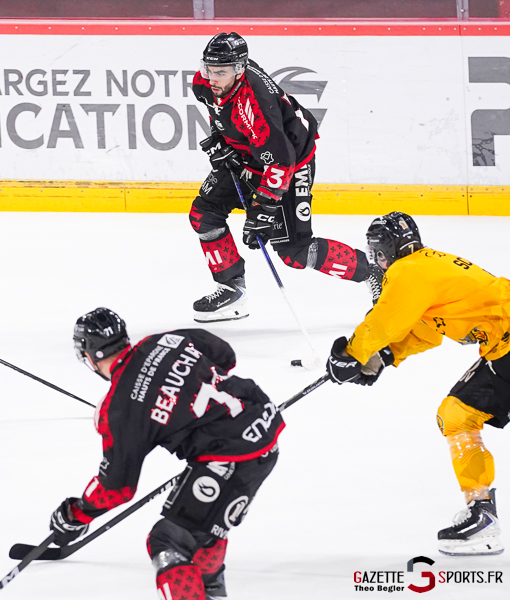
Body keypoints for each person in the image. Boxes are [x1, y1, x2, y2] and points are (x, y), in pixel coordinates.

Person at [48, 307, 284, 599]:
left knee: (168, 541)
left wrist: (77, 514)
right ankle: (209, 586)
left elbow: (116, 486)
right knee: (200, 523)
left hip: (231, 454)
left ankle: (203, 588)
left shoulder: (120, 409)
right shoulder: (162, 341)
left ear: (87, 356)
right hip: (263, 424)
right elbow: (224, 354)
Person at [327, 211, 508, 556]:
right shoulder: (426, 267)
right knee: (456, 414)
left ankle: (483, 517)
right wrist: (385, 356)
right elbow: (426, 330)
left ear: (385, 251)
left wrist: (351, 353)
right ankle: (481, 512)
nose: (376, 260)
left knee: (457, 415)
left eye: (376, 252)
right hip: (504, 346)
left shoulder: (407, 271)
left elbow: (385, 319)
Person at [189, 32, 382, 322]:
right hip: (253, 156)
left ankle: (374, 271)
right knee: (203, 213)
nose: (211, 78)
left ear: (239, 69)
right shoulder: (205, 84)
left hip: (291, 165)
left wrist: (263, 210)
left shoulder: (255, 106)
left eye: (220, 72)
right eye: (208, 69)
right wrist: (221, 141)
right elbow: (221, 115)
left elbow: (282, 161)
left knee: (295, 252)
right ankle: (232, 289)